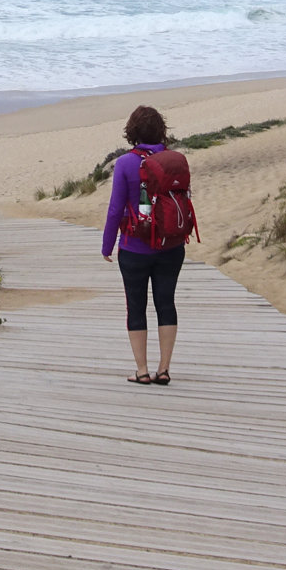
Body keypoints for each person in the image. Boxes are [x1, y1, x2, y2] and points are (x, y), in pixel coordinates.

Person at [102, 104, 183, 385]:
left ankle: (142, 371)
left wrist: (107, 246)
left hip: (134, 247)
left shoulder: (125, 163)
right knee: (166, 303)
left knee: (136, 307)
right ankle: (164, 368)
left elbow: (115, 209)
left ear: (132, 131)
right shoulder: (174, 160)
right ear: (161, 130)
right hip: (171, 245)